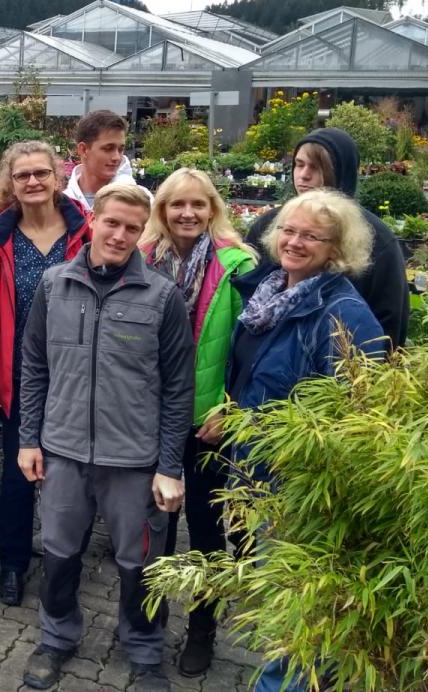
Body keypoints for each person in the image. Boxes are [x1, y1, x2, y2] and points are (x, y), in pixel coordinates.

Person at [18, 183, 194, 692]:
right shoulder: (54, 285)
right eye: (111, 223)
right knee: (59, 553)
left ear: (143, 233)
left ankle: (144, 650)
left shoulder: (162, 297)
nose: (119, 235)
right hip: (64, 451)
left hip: (133, 460)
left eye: (132, 228)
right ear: (92, 220)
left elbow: (178, 388)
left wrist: (169, 466)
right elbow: (34, 366)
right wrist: (29, 438)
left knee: (140, 564)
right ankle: (56, 638)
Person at [228, 190, 385, 692]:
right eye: (288, 231)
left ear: (336, 248)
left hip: (301, 491)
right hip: (261, 474)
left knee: (296, 613)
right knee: (281, 604)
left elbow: (358, 420)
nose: (294, 242)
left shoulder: (344, 315)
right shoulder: (272, 292)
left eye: (311, 236)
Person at [138, 167, 257, 677]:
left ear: (212, 209)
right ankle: (150, 617)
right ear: (162, 210)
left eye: (198, 204)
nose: (187, 213)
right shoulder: (142, 259)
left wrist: (231, 406)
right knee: (154, 525)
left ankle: (203, 627)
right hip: (151, 415)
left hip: (210, 421)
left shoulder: (239, 265)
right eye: (177, 204)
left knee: (206, 529)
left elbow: (254, 348)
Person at [0, 141, 91, 606]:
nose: (32, 182)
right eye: (22, 175)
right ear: (11, 182)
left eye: (41, 173)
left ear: (57, 177)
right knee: (17, 473)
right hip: (20, 372)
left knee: (73, 476)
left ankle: (66, 565)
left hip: (77, 373)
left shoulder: (84, 231)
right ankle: (12, 563)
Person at [244, 127, 408, 348]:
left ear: (342, 172)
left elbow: (390, 324)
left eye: (316, 167)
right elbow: (247, 295)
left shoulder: (375, 238)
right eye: (299, 164)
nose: (303, 175)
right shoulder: (270, 225)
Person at [63, 110, 152, 211]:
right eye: (108, 149)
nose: (117, 157)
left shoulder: (141, 200)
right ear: (83, 150)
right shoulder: (60, 204)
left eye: (120, 149)